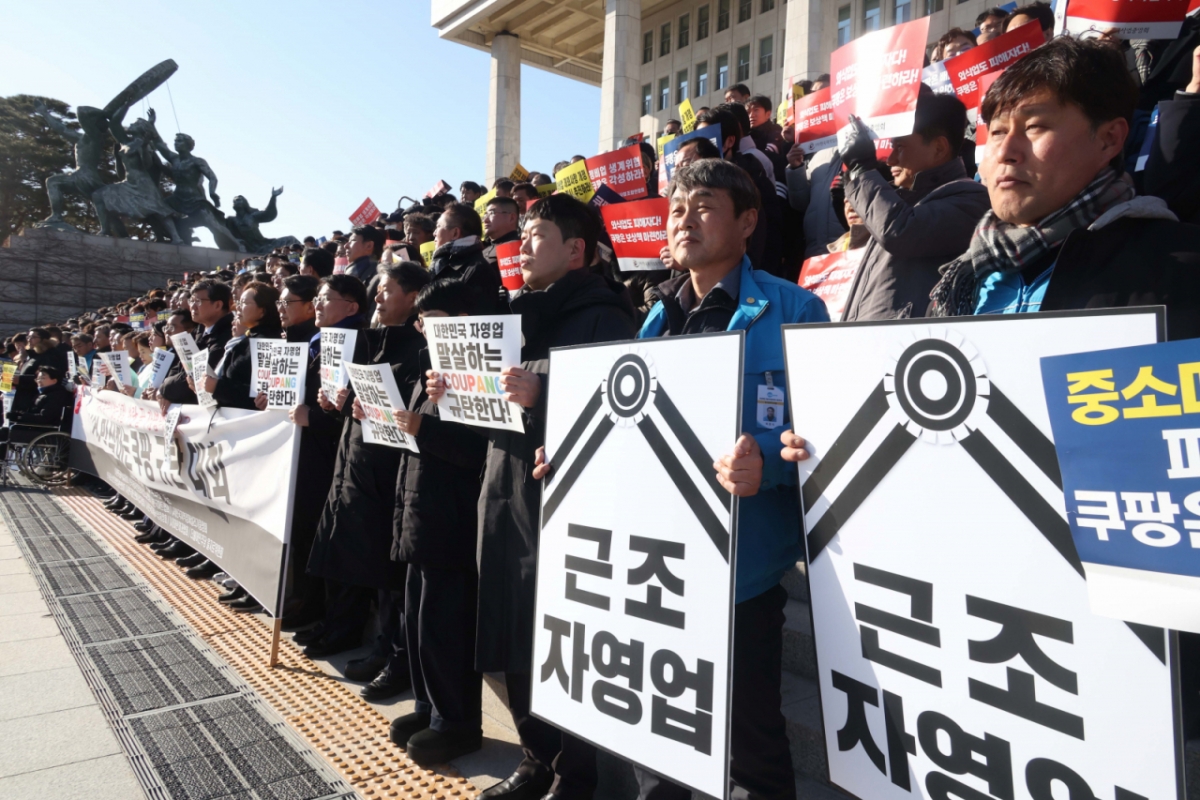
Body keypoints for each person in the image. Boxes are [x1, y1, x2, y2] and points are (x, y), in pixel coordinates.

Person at [596, 157, 827, 800]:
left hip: (743, 568)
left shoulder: (796, 309)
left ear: (748, 221)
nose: (684, 221)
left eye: (703, 208)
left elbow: (826, 437)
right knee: (657, 733)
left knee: (749, 743)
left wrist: (769, 467)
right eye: (676, 210)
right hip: (656, 563)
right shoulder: (655, 316)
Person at [427, 194, 636, 800]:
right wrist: (451, 392)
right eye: (521, 234)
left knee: (560, 636)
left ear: (576, 250)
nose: (521, 245)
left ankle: (575, 773)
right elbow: (488, 412)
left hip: (564, 499)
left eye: (537, 235)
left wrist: (545, 395)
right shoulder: (512, 318)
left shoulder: (605, 315)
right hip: (502, 486)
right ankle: (535, 756)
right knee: (511, 628)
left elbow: (620, 411)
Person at [926, 36, 1200, 338]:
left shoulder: (1182, 271)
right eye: (998, 131)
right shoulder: (958, 283)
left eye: (1034, 127)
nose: (1005, 151)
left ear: (1109, 139)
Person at [386, 277, 490, 766]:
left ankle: (457, 722)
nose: (423, 327)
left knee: (446, 624)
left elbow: (477, 452)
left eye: (433, 319)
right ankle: (428, 707)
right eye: (422, 320)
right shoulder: (428, 370)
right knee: (418, 619)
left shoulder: (478, 371)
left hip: (450, 518)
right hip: (419, 510)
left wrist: (423, 427)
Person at [835, 90, 990, 320]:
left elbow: (900, 232)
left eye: (900, 147)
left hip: (912, 342)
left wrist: (861, 169)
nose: (890, 160)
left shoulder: (972, 200)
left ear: (939, 148)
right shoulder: (899, 200)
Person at [158, 280, 235, 410]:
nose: (192, 306)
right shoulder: (198, 331)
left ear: (217, 305)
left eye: (198, 301)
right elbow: (179, 367)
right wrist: (165, 387)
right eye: (191, 301)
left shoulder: (228, 335)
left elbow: (198, 375)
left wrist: (165, 389)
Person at [209, 282, 282, 410]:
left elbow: (259, 396)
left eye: (244, 303)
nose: (237, 307)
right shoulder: (250, 338)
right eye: (239, 302)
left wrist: (217, 387)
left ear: (262, 310)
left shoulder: (267, 343)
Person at [429, 202, 504, 314]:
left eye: (439, 226)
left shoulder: (478, 270)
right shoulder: (441, 264)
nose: (434, 233)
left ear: (455, 233)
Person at [482, 195, 522, 266]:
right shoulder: (483, 250)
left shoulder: (521, 249)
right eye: (485, 215)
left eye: (492, 213)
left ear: (512, 218)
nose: (485, 220)